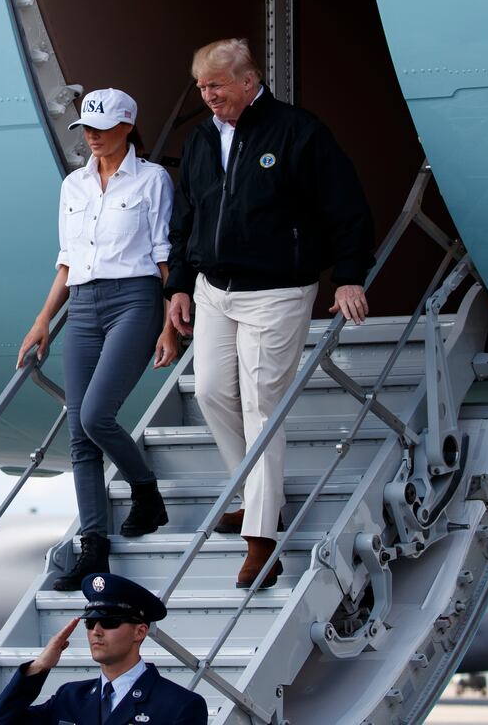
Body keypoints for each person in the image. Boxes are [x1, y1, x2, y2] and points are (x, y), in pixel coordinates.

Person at [165, 39, 374, 590]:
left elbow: (345, 205)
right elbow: (186, 216)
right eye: (203, 87)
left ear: (249, 79)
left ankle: (262, 538)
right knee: (210, 390)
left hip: (277, 290)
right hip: (214, 288)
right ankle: (260, 496)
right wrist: (180, 285)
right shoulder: (202, 140)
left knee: (263, 402)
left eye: (218, 85)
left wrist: (349, 274)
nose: (209, 97)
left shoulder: (297, 132)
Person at [19, 88, 179, 593]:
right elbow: (67, 259)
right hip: (82, 305)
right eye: (85, 129)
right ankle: (94, 546)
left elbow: (162, 252)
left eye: (101, 128)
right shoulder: (74, 185)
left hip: (135, 299)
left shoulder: (153, 179)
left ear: (127, 127)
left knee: (95, 415)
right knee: (77, 432)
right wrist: (45, 317)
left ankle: (145, 491)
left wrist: (169, 324)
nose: (91, 137)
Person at [0, 572, 207, 724]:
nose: (96, 631)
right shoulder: (70, 696)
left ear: (140, 632)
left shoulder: (180, 705)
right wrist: (38, 667)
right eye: (90, 623)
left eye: (109, 622)